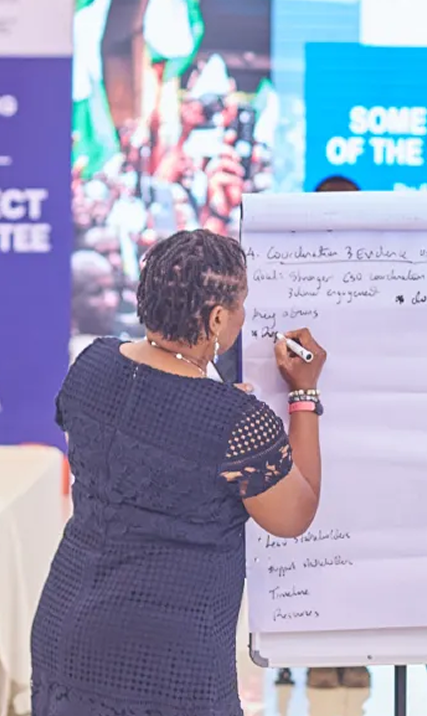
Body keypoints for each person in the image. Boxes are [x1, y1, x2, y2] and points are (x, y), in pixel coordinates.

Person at [32, 229, 328, 715]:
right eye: (241, 305)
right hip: (166, 659)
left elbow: (137, 440)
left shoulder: (91, 364)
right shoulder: (237, 422)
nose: (245, 316)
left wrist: (220, 406)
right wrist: (303, 395)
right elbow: (295, 514)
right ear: (216, 318)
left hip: (67, 629)